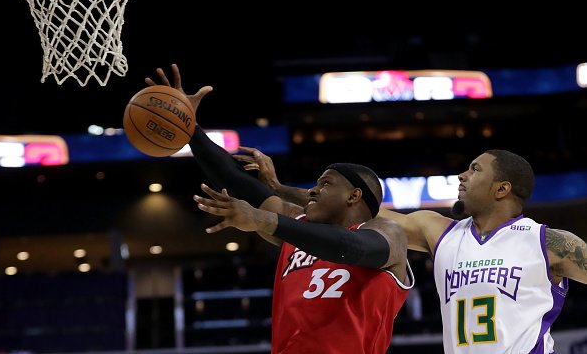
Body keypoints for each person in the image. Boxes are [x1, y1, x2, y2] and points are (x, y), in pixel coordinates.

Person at [145, 64, 414, 354]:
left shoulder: (388, 233)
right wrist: (190, 129)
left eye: (325, 184)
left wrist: (265, 220)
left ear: (353, 196)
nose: (313, 190)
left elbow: (348, 247)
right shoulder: (296, 225)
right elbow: (236, 180)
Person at [233, 146, 587, 354]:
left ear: (502, 188)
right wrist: (281, 188)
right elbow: (359, 207)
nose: (462, 176)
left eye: (475, 170)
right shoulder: (440, 231)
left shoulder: (550, 242)